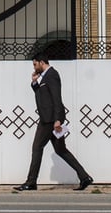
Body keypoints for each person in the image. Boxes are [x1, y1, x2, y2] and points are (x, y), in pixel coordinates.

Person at [13, 53, 93, 191]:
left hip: (50, 120)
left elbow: (57, 98)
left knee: (37, 147)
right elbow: (43, 96)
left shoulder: (52, 75)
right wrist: (34, 83)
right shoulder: (45, 77)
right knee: (61, 150)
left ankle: (31, 182)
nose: (34, 67)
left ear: (42, 62)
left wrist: (57, 119)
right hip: (48, 118)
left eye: (35, 64)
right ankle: (85, 177)